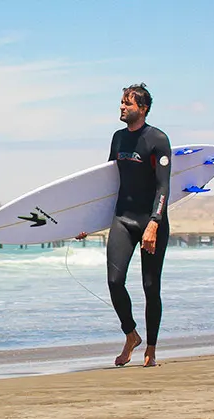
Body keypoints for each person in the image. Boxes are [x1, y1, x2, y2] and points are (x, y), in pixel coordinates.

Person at [76, 83, 172, 367]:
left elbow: (163, 186)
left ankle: (151, 349)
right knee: (114, 282)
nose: (122, 107)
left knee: (150, 286)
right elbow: (107, 186)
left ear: (142, 109)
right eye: (121, 102)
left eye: (127, 103)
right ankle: (131, 334)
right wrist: (88, 223)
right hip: (122, 218)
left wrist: (154, 222)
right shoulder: (118, 139)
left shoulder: (157, 139)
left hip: (150, 220)